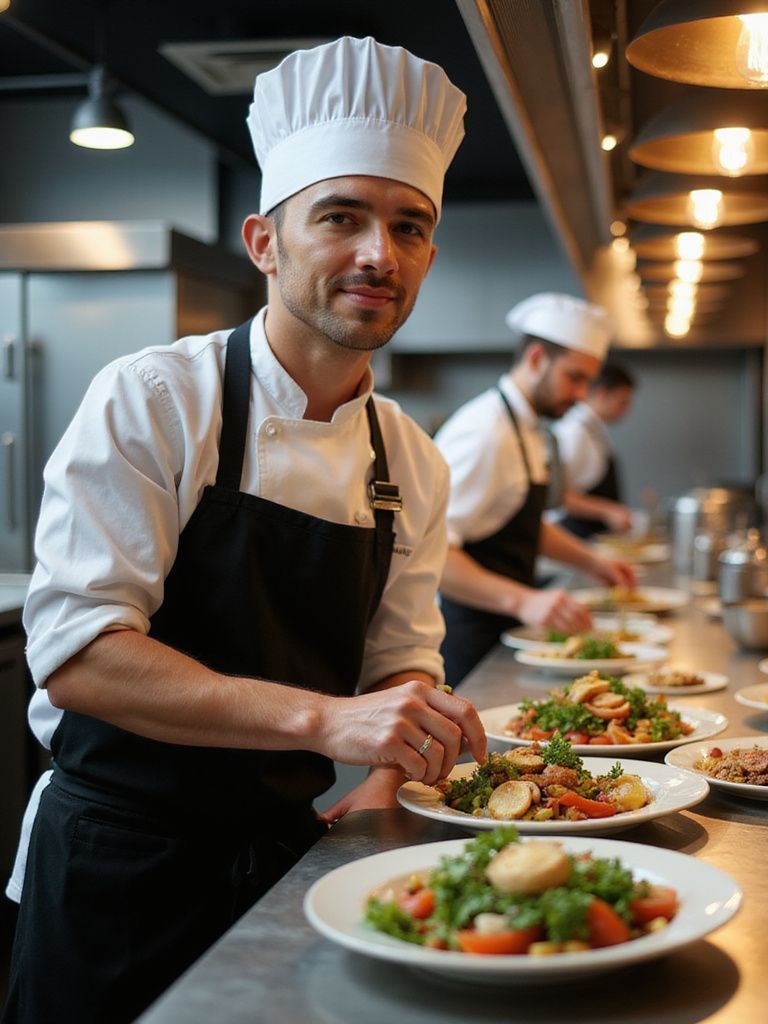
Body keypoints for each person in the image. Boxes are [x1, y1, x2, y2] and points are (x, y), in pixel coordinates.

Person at [2, 36, 486, 1024]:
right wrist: (325, 719)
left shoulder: (413, 462)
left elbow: (403, 660)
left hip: (284, 857)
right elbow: (79, 657)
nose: (377, 255)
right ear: (265, 242)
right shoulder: (156, 399)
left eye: (409, 226)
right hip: (114, 862)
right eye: (341, 218)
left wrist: (392, 765)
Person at [435, 292, 637, 687]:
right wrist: (525, 600)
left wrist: (590, 561)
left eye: (588, 382)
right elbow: (431, 552)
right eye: (574, 378)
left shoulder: (527, 429)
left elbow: (516, 522)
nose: (582, 395)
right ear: (536, 359)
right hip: (466, 636)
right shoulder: (486, 433)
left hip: (502, 630)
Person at [553, 362, 637, 539]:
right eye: (623, 402)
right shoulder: (574, 432)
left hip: (593, 536)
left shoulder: (596, 430)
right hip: (573, 535)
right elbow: (558, 496)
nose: (627, 409)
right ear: (601, 394)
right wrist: (609, 511)